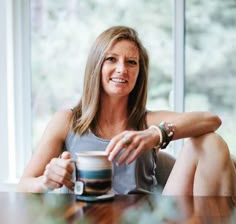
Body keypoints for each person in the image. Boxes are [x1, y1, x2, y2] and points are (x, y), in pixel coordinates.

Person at [18, 25, 236, 195]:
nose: (122, 69)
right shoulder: (67, 121)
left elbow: (211, 120)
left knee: (210, 142)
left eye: (131, 62)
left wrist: (156, 134)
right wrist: (46, 181)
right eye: (111, 59)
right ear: (96, 65)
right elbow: (24, 185)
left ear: (139, 72)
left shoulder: (147, 121)